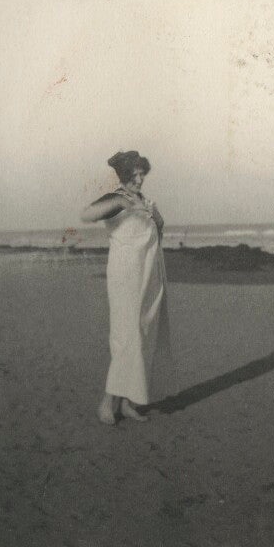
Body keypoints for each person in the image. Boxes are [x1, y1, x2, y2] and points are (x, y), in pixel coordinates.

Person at [80, 150, 172, 425]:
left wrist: (156, 218)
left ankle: (129, 403)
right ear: (124, 176)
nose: (140, 180)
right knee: (127, 338)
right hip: (125, 278)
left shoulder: (144, 200)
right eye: (135, 175)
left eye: (142, 174)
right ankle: (108, 402)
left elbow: (159, 230)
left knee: (142, 336)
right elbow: (86, 215)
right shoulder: (116, 198)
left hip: (148, 275)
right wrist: (123, 203)